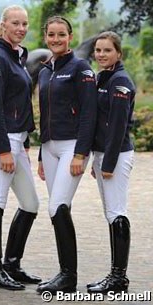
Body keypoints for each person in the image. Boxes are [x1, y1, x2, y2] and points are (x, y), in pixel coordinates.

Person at [36, 16, 97, 295]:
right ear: (46, 37)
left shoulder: (81, 67)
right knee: (59, 209)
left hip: (72, 146)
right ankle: (65, 273)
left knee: (57, 206)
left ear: (70, 37)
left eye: (61, 34)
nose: (56, 39)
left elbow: (89, 113)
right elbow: (44, 115)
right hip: (49, 147)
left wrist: (81, 153)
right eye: (51, 35)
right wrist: (40, 154)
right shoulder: (45, 69)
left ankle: (68, 277)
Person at [0, 5, 41, 290]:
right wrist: (4, 149)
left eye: (24, 24)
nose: (21, 28)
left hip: (18, 141)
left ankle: (11, 264)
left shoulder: (18, 56)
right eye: (15, 23)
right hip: (0, 141)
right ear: (4, 25)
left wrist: (25, 142)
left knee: (30, 204)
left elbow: (21, 104)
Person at [86, 31, 135, 294]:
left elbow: (117, 128)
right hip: (102, 154)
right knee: (110, 213)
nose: (101, 54)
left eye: (107, 50)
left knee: (117, 212)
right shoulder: (102, 77)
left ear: (119, 53)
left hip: (115, 155)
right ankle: (115, 276)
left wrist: (108, 164)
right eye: (98, 50)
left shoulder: (120, 81)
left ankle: (118, 279)